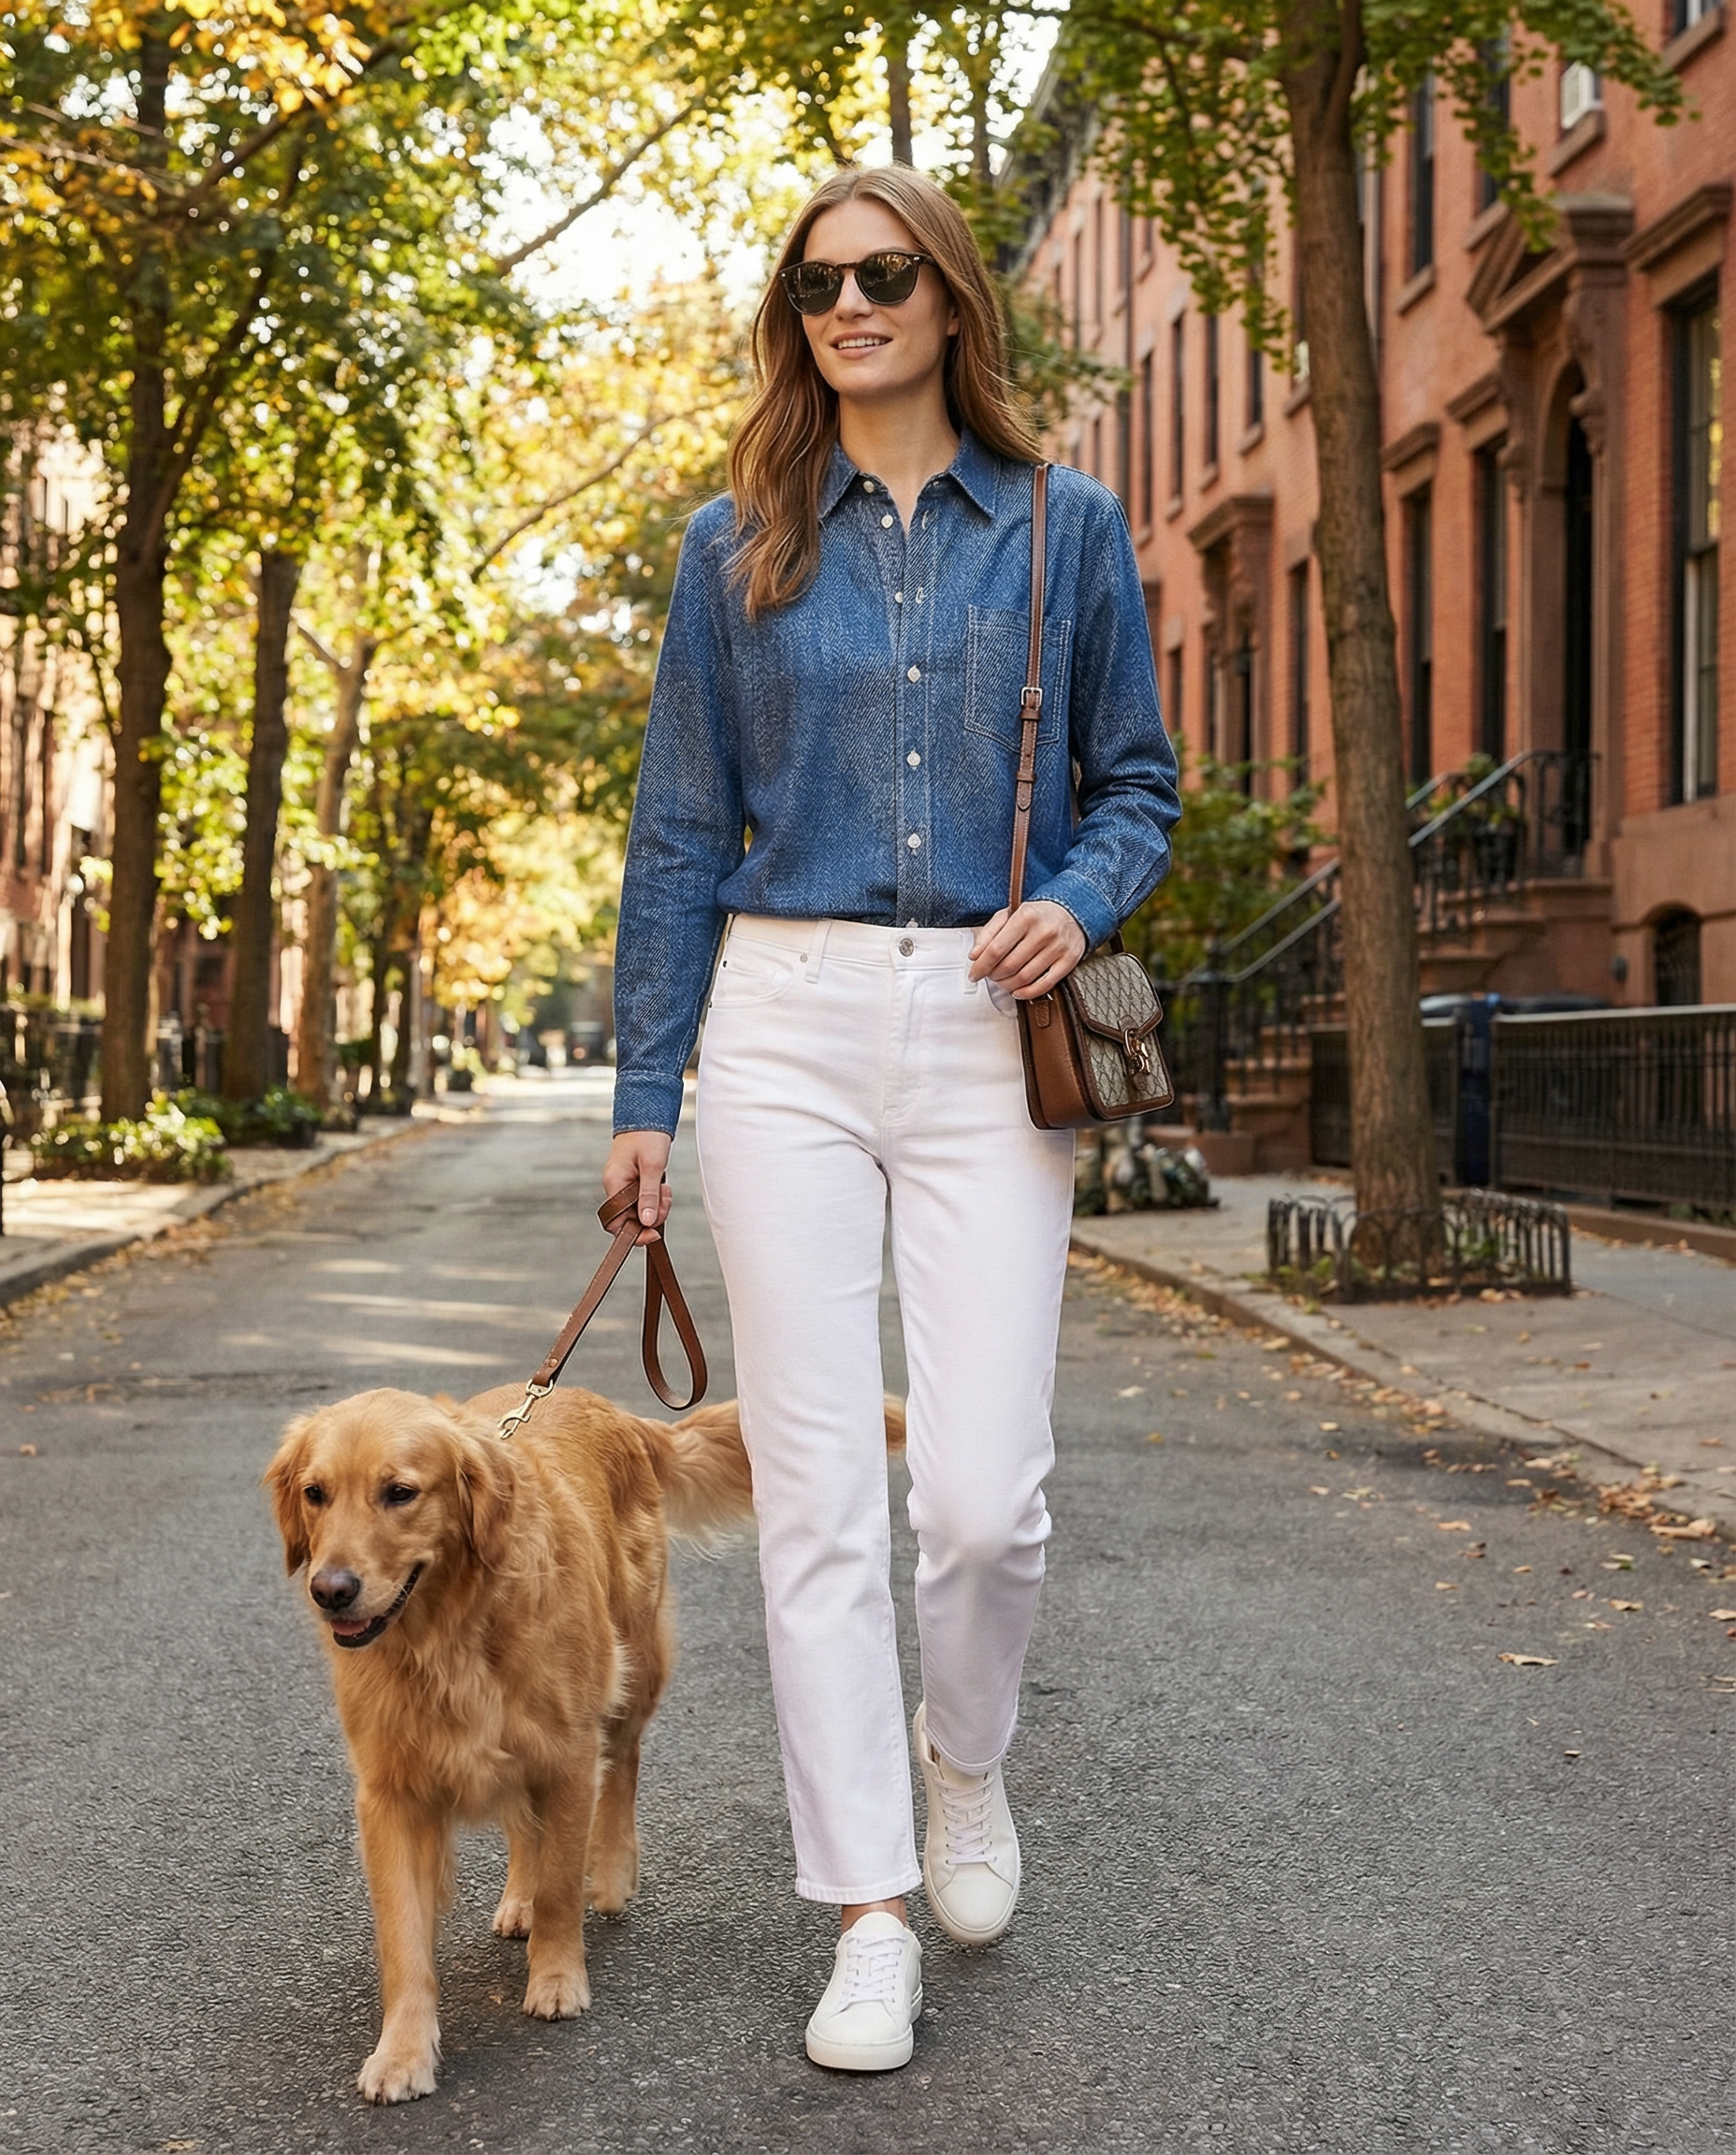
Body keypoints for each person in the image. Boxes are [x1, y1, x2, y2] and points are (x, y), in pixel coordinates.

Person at [605, 165, 1179, 2072]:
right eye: (817, 283)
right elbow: (681, 835)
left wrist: (1077, 902)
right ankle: (862, 1908)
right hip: (779, 1020)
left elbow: (1137, 789)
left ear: (946, 301)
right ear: (798, 318)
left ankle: (964, 1765)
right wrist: (643, 1093)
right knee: (818, 1499)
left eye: (884, 275)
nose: (848, 304)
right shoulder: (735, 547)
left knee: (987, 1498)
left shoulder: (1064, 528)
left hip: (986, 1025)